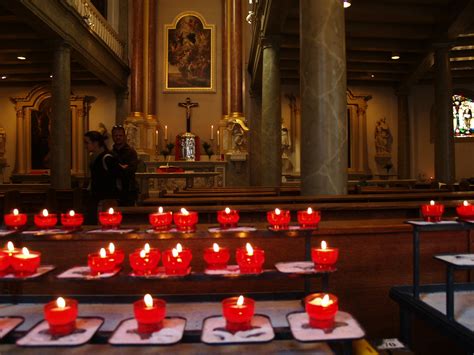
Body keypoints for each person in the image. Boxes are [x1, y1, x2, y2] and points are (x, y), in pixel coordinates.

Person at [84, 131, 121, 223]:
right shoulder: (95, 157)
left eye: (87, 142)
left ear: (95, 143)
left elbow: (115, 178)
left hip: (105, 200)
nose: (85, 146)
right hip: (96, 199)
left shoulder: (107, 158)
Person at [111, 125, 139, 206]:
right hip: (114, 191)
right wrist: (122, 167)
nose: (118, 137)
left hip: (129, 190)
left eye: (120, 135)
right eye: (116, 135)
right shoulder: (110, 153)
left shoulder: (131, 152)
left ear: (124, 136)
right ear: (112, 137)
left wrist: (118, 168)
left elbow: (132, 169)